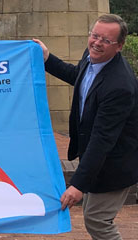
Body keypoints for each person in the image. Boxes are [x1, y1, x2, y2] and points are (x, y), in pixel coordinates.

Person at [33, 14, 138, 240]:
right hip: (95, 159)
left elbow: (102, 139)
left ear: (119, 46)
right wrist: (47, 58)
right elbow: (77, 76)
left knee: (98, 221)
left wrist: (77, 185)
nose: (97, 42)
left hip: (114, 164)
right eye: (95, 35)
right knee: (94, 217)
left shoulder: (119, 86)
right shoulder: (92, 57)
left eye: (106, 40)